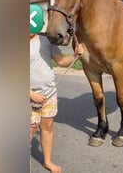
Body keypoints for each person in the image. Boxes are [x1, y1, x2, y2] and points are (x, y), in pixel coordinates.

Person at [30, 33, 84, 173]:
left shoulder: (46, 41)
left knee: (47, 128)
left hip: (49, 94)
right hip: (30, 96)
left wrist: (76, 55)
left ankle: (47, 161)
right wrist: (31, 94)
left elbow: (61, 61)